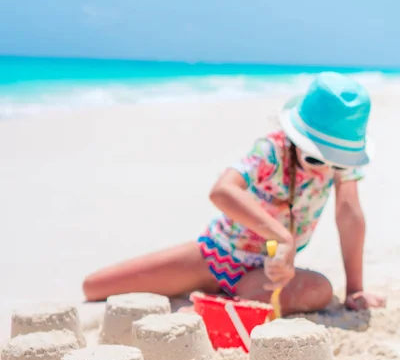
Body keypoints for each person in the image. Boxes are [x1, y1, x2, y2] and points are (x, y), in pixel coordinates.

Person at [83, 72, 386, 315]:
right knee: (94, 287)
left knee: (319, 290)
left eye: (336, 162)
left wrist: (355, 289)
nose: (325, 170)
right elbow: (222, 191)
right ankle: (215, 298)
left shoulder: (342, 167)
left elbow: (349, 216)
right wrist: (281, 236)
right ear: (296, 138)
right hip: (214, 254)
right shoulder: (272, 149)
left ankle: (210, 309)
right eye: (317, 158)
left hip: (267, 271)